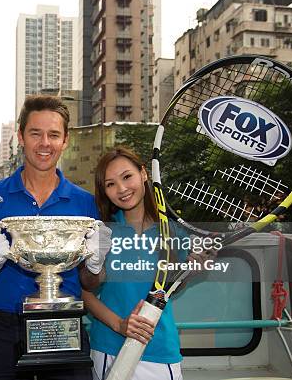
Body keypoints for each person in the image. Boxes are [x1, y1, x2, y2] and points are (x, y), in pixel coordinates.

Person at [0, 95, 112, 380]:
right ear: (21, 136)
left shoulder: (84, 203)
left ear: (65, 140)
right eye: (35, 133)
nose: (44, 143)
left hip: (65, 324)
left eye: (53, 135)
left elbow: (90, 282)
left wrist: (96, 266)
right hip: (4, 327)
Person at [84, 147, 209, 380]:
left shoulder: (173, 232)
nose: (121, 189)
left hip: (160, 348)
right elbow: (85, 292)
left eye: (127, 176)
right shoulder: (101, 232)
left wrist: (191, 272)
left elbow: (168, 288)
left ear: (143, 174)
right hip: (108, 347)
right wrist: (120, 325)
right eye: (110, 184)